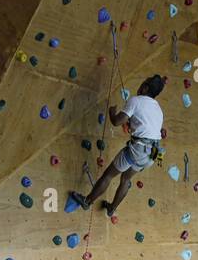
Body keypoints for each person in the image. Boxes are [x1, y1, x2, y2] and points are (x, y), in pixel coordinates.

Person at [69, 75, 165, 219]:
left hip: (139, 150)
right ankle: (112, 209)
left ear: (145, 87)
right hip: (154, 154)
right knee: (126, 179)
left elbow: (116, 122)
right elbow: (147, 128)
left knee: (109, 175)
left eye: (143, 83)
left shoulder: (136, 101)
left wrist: (112, 112)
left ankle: (87, 201)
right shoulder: (158, 109)